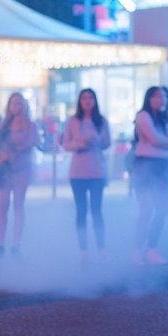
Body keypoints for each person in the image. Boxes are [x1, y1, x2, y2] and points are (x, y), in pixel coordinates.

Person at [0, 92, 39, 264]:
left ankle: (16, 245)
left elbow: (31, 143)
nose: (16, 106)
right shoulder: (2, 125)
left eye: (19, 103)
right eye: (13, 103)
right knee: (3, 206)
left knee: (18, 205)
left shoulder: (30, 125)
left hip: (21, 169)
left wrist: (9, 153)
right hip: (4, 171)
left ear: (25, 105)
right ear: (9, 106)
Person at [130, 86, 168, 265]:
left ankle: (152, 250)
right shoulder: (143, 116)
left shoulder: (167, 118)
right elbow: (154, 139)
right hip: (145, 164)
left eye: (164, 96)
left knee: (162, 209)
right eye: (157, 96)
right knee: (146, 209)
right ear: (149, 98)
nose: (161, 100)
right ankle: (137, 250)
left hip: (162, 164)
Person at [62, 88, 110, 262]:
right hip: (78, 172)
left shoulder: (102, 121)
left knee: (97, 210)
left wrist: (97, 140)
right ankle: (83, 250)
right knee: (81, 210)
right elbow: (65, 144)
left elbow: (107, 143)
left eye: (90, 98)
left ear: (95, 100)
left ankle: (101, 248)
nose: (87, 101)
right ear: (79, 101)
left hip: (97, 171)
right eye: (84, 98)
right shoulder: (72, 121)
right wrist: (79, 144)